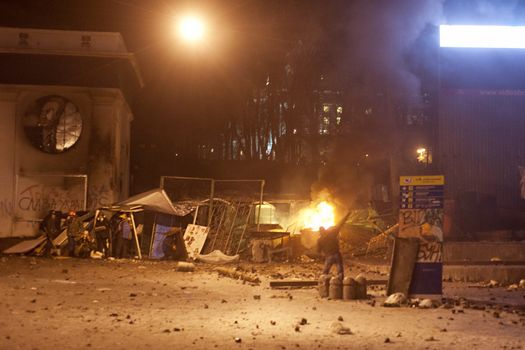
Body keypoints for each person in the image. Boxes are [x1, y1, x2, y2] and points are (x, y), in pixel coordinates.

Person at [317, 211, 351, 279]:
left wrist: (322, 255)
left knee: (325, 272)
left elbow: (318, 251)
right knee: (340, 270)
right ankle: (340, 282)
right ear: (325, 230)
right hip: (336, 254)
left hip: (329, 256)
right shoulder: (332, 233)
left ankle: (324, 283)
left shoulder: (320, 240)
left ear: (320, 232)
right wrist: (347, 215)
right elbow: (340, 225)